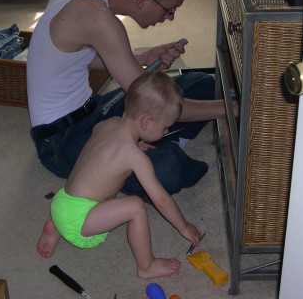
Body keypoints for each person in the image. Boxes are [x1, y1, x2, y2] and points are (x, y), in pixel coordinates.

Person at [27, 0, 231, 197]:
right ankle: (158, 144)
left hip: (94, 109)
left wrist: (145, 58)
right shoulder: (98, 17)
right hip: (62, 140)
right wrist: (230, 108)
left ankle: (148, 139)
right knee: (169, 170)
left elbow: (84, 56)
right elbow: (152, 99)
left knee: (203, 83)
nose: (170, 18)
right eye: (169, 10)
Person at [36, 72, 201, 279]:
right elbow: (160, 199)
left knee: (106, 181)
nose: (166, 130)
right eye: (165, 126)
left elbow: (103, 154)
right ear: (147, 122)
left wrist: (135, 144)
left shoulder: (107, 124)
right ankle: (147, 266)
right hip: (80, 222)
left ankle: (55, 227)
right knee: (135, 206)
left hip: (63, 201)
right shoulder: (134, 156)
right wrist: (183, 226)